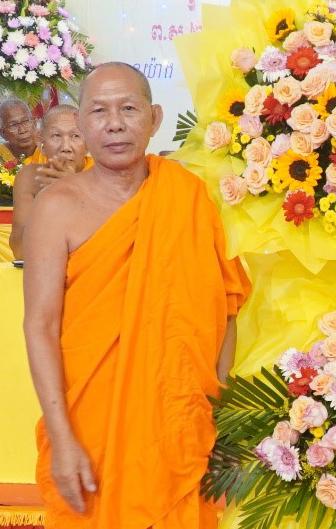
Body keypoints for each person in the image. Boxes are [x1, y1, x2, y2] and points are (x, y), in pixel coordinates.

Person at [23, 62, 251, 528]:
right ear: (81, 123)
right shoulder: (57, 207)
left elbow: (224, 308)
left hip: (179, 420)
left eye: (128, 109)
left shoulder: (187, 196)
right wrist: (63, 439)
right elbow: (40, 326)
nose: (114, 124)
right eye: (99, 111)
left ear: (155, 117)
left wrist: (222, 417)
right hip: (93, 428)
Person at [10, 105, 92, 259]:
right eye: (56, 136)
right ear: (41, 143)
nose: (66, 147)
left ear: (88, 144)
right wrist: (48, 197)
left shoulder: (104, 176)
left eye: (75, 136)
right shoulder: (30, 178)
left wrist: (73, 191)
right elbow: (20, 250)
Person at [0, 98, 38, 163]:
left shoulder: (50, 150)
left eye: (26, 121)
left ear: (35, 123)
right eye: (13, 125)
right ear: (2, 133)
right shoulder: (1, 156)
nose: (22, 130)